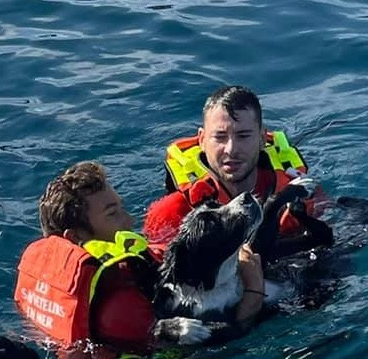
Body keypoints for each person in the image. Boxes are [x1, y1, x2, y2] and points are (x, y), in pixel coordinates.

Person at [14, 161, 265, 352]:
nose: (129, 221)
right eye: (113, 214)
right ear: (77, 238)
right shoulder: (120, 310)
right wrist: (254, 291)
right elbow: (216, 350)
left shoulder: (61, 285)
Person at [143, 85, 334, 259]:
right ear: (202, 140)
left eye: (243, 136)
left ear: (261, 138)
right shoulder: (172, 212)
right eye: (220, 137)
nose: (231, 149)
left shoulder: (297, 192)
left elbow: (338, 241)